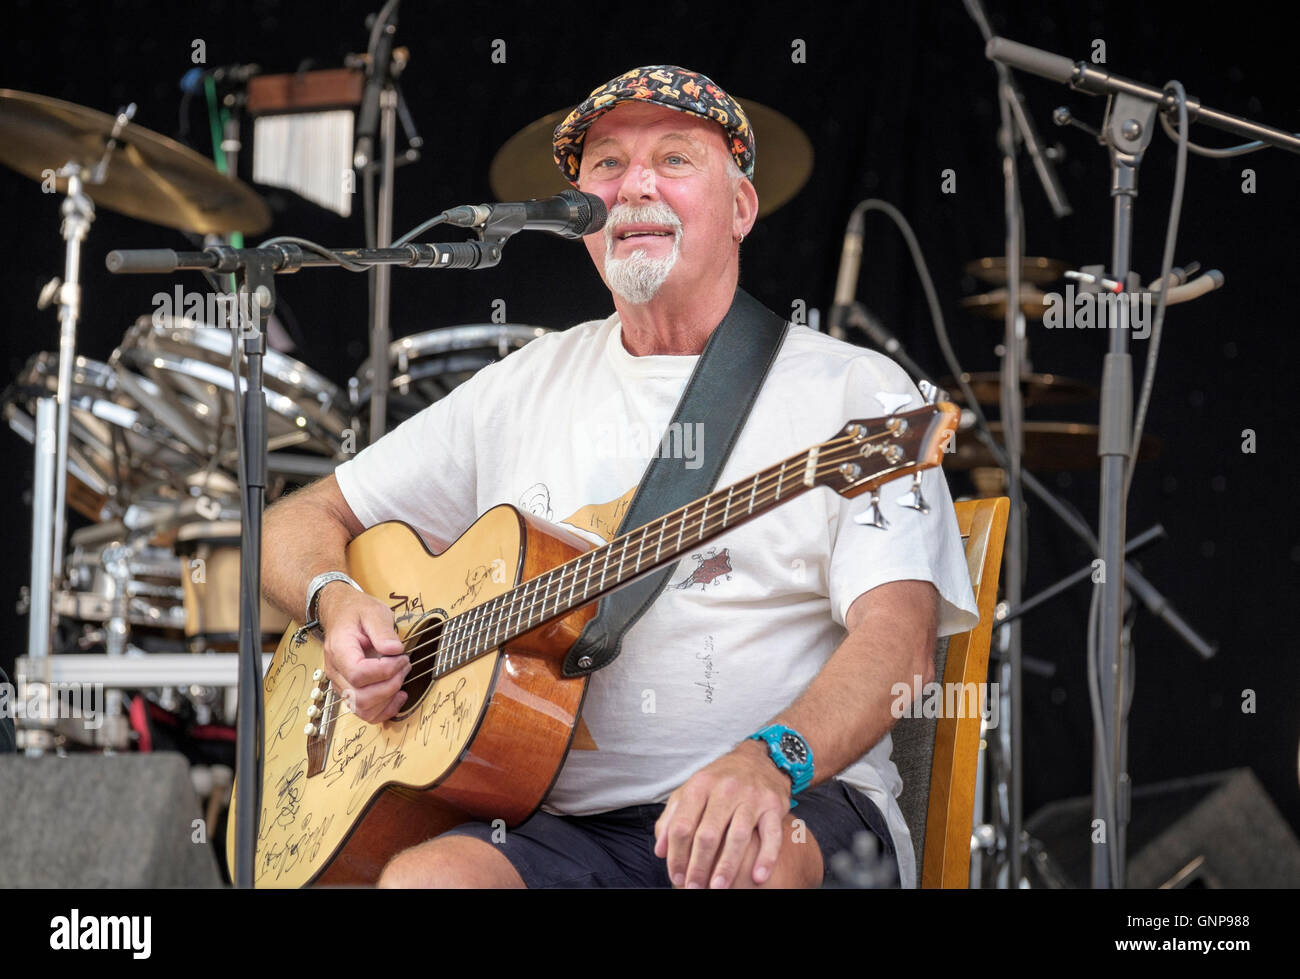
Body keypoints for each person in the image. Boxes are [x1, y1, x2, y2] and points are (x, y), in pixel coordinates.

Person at [260, 65, 978, 889]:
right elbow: (298, 518)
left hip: (793, 800)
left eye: (674, 159)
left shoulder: (856, 395)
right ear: (581, 219)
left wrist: (772, 759)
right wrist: (336, 597)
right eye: (605, 165)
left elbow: (901, 644)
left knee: (747, 867)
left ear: (740, 208)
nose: (634, 184)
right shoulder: (523, 385)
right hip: (563, 828)